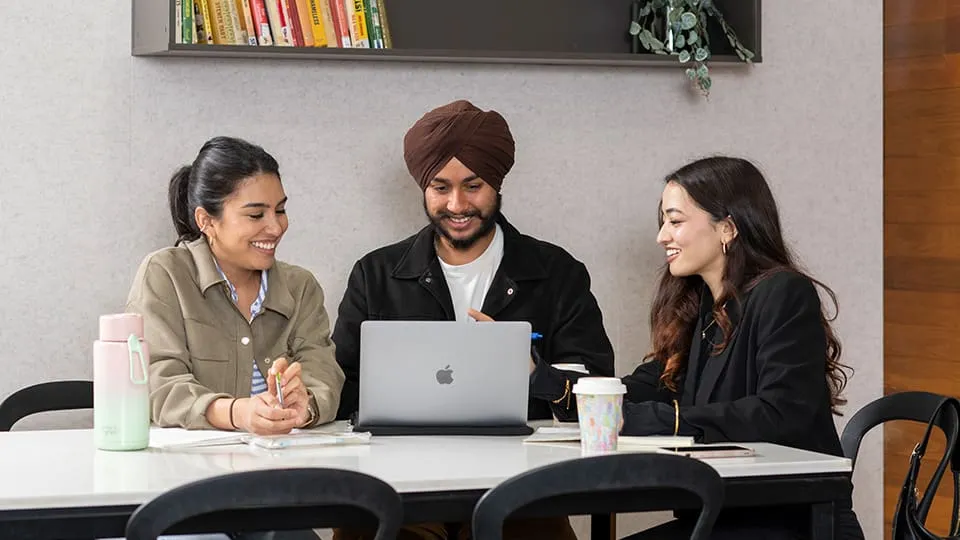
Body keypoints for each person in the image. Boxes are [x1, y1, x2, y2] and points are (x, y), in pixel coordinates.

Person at [330, 99, 615, 540]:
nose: (457, 203)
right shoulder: (376, 275)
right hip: (399, 485)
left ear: (497, 185)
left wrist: (535, 371)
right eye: (440, 188)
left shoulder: (557, 273)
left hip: (520, 489)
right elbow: (340, 386)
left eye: (473, 185)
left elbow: (598, 394)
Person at [619, 157, 864, 539]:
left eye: (676, 221)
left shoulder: (783, 294)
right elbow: (650, 384)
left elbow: (779, 412)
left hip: (792, 523)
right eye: (663, 222)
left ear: (727, 228)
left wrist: (667, 421)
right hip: (719, 516)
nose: (662, 236)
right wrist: (558, 386)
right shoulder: (697, 306)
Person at [126, 135, 344, 438]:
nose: (276, 227)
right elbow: (158, 383)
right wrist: (237, 412)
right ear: (206, 220)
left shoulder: (301, 286)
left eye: (279, 210)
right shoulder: (166, 274)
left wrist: (304, 406)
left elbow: (324, 375)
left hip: (286, 462)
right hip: (188, 469)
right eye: (256, 214)